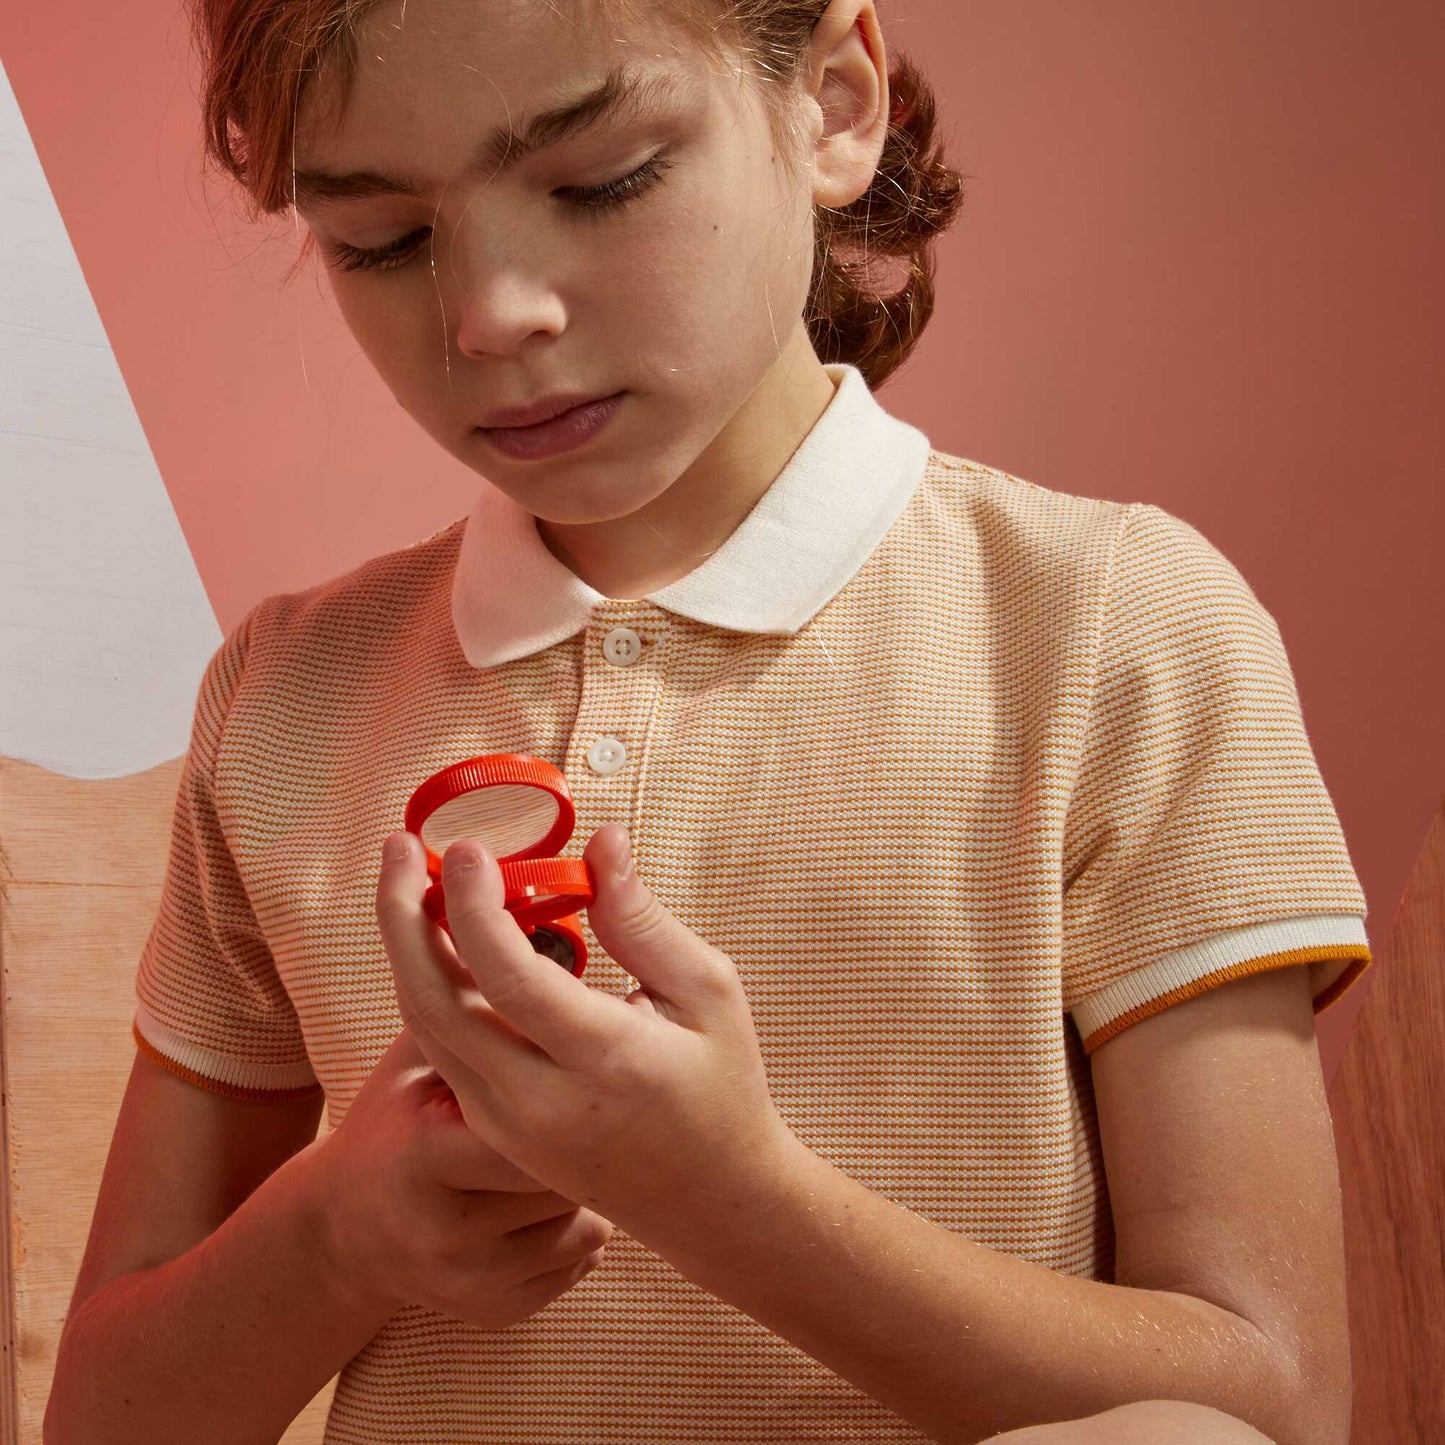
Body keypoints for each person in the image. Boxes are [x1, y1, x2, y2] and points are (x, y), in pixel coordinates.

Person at [45, 0, 1371, 1442]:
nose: (492, 313)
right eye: (382, 240)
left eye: (600, 179)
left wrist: (732, 1202)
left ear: (832, 102)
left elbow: (1267, 1409)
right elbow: (104, 1421)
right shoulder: (284, 695)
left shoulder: (1119, 626)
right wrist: (334, 1235)